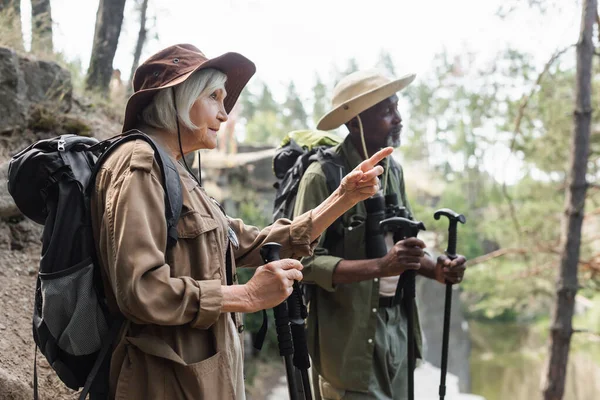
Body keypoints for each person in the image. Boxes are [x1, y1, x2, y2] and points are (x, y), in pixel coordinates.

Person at [89, 44, 394, 400]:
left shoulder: (177, 173)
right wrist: (246, 295)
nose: (224, 114)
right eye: (215, 98)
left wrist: (344, 197)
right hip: (161, 381)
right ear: (177, 100)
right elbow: (141, 290)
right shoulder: (139, 165)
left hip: (197, 379)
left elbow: (252, 243)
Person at [293, 69, 468, 400]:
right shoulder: (321, 177)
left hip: (397, 331)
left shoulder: (393, 172)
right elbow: (302, 264)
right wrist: (379, 267)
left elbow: (404, 250)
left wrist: (438, 269)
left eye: (397, 107)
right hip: (347, 340)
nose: (398, 118)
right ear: (354, 122)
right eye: (387, 111)